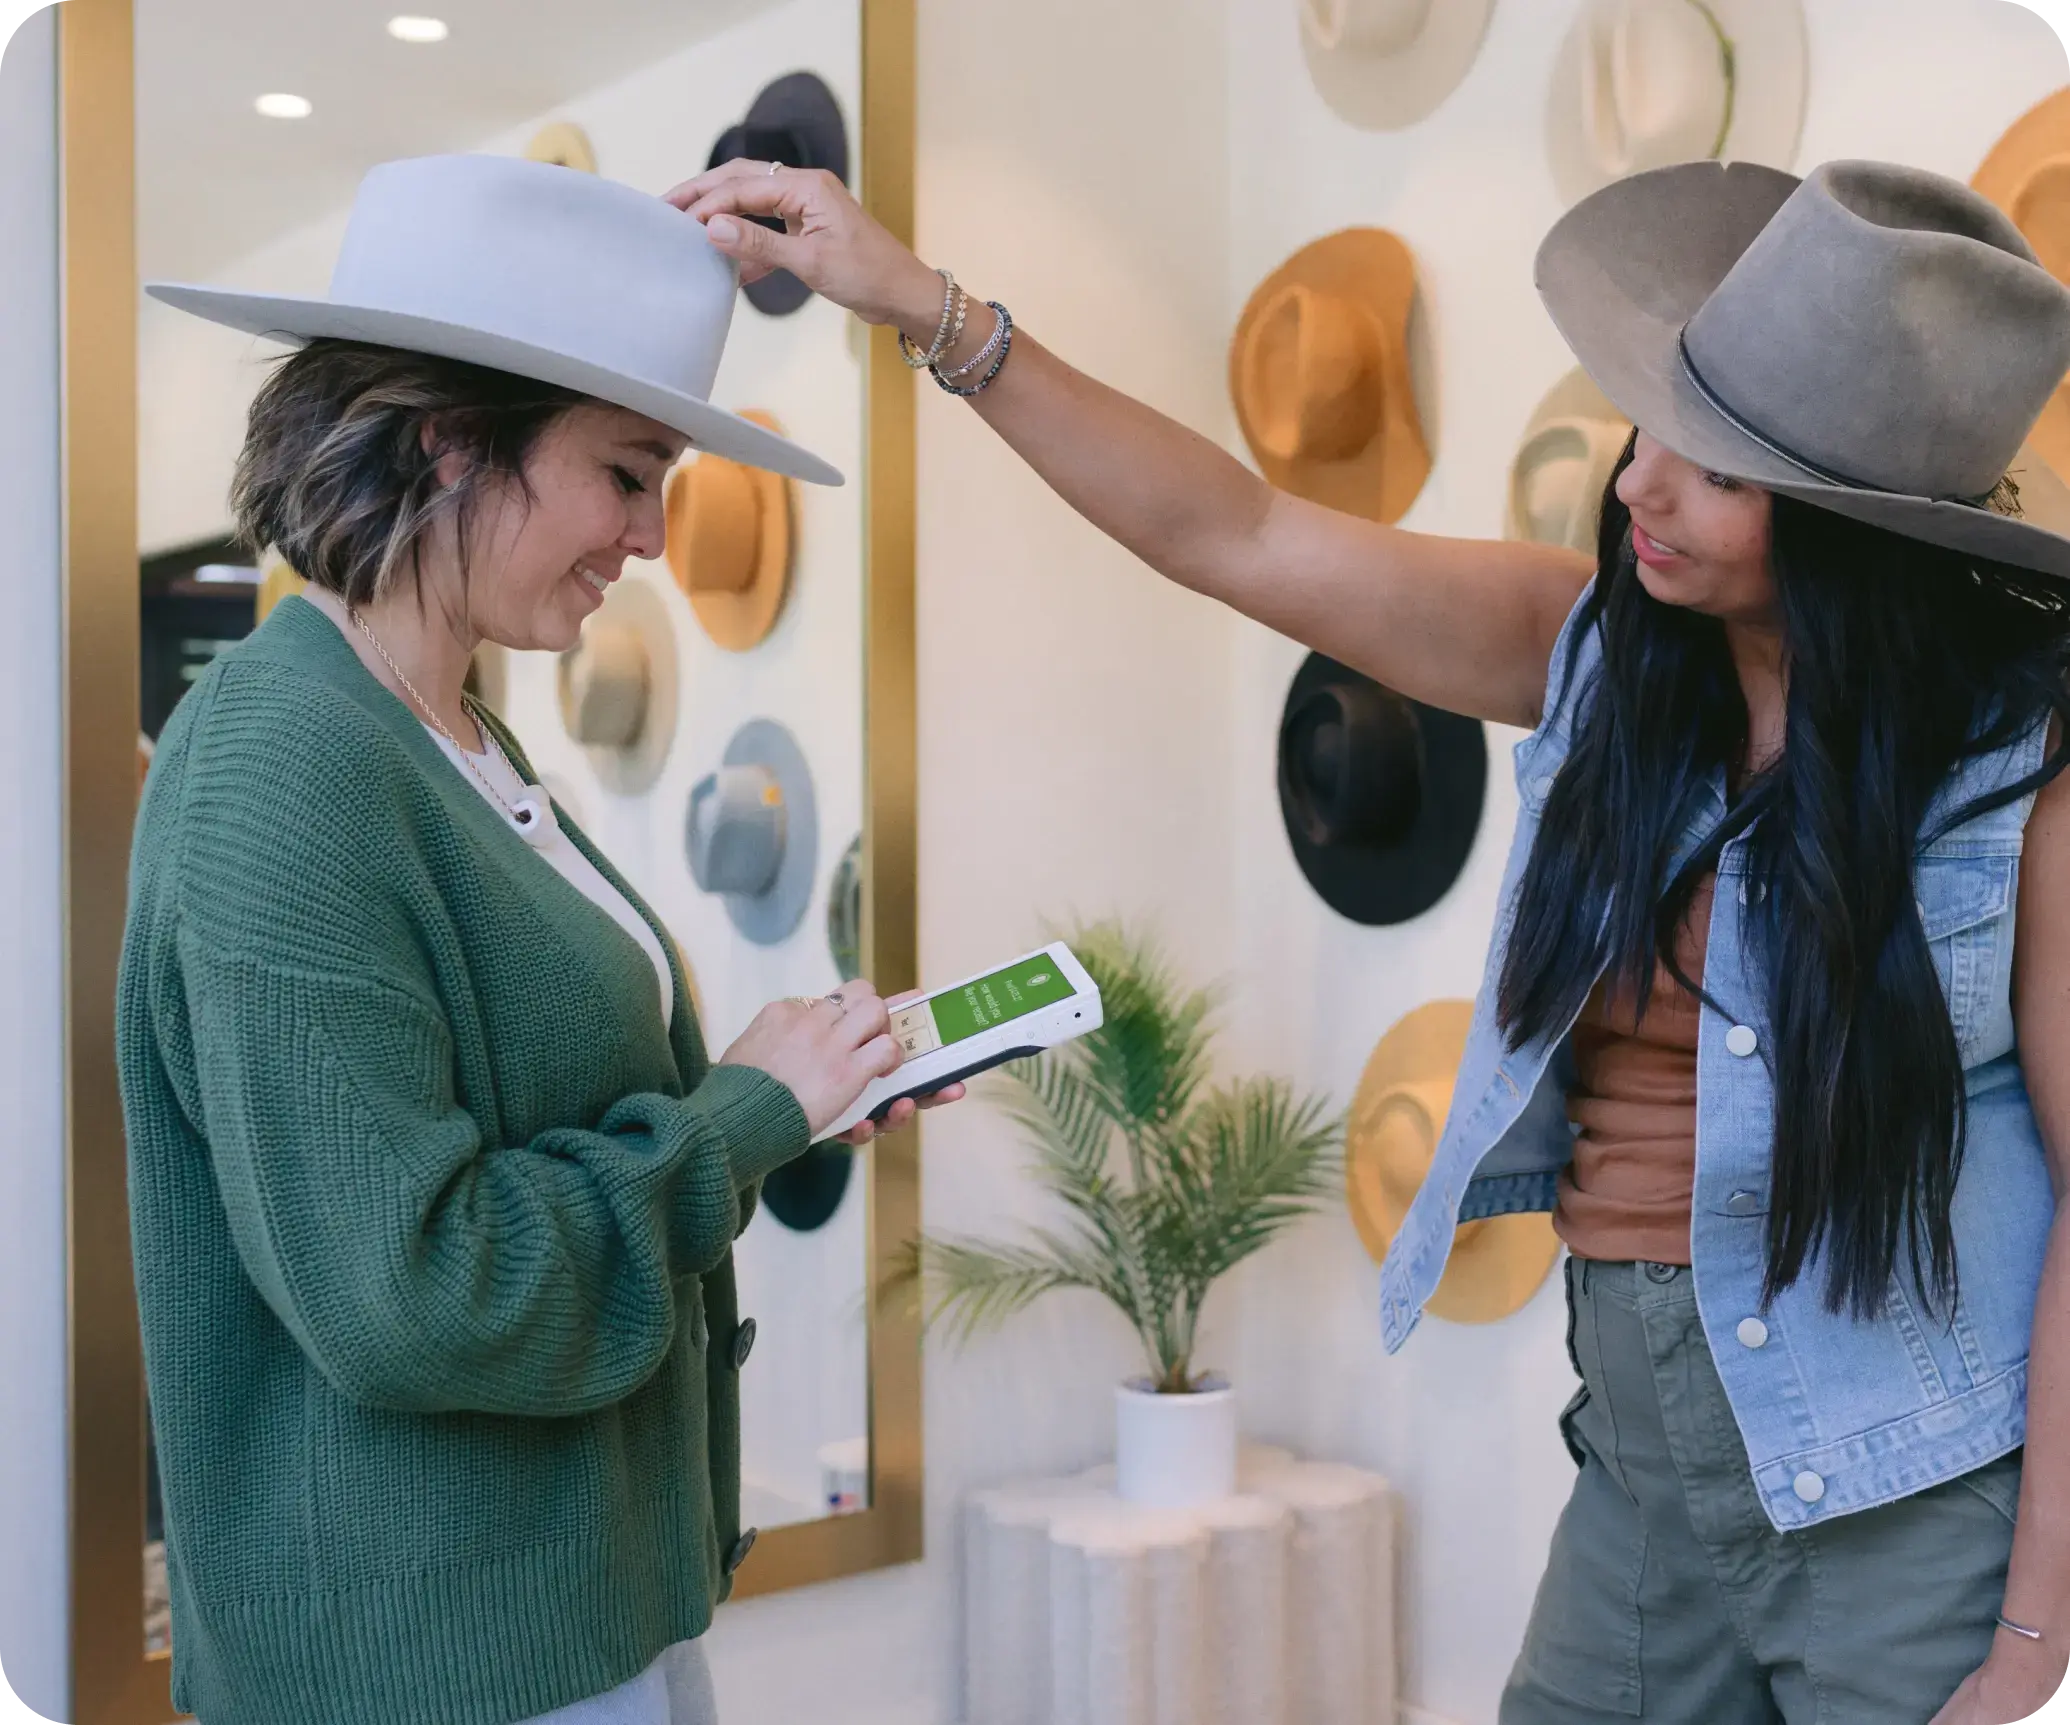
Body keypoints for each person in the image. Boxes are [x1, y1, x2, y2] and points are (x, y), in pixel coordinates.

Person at [672, 155, 2070, 1723]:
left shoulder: (2019, 780)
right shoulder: (1601, 659)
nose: (1637, 492)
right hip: (1637, 1460)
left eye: (1717, 474)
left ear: (1851, 526)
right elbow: (1236, 532)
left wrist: (2033, 1640)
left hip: (1910, 1503)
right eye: (1649, 434)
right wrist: (926, 306)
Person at [117, 155, 960, 1725]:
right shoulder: (290, 763)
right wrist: (742, 1114)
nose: (645, 535)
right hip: (432, 1667)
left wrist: (801, 1088)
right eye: (626, 472)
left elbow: (538, 1130)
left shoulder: (451, 734)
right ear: (450, 443)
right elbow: (416, 1289)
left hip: (571, 1615)